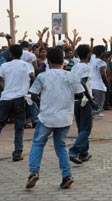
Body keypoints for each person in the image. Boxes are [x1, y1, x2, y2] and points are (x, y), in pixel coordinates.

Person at [26, 47, 84, 189]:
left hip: (47, 116)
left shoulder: (42, 76)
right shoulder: (71, 76)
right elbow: (80, 94)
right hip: (65, 118)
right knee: (61, 146)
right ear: (63, 61)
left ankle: (34, 172)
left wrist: (41, 102)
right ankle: (67, 175)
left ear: (49, 61)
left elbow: (33, 94)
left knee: (38, 143)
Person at [0, 44, 35, 161]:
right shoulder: (27, 66)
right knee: (19, 127)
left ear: (10, 54)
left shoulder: (4, 66)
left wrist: (3, 91)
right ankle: (17, 153)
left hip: (5, 98)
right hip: (20, 98)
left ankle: (17, 152)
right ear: (22, 54)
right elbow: (33, 77)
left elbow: (0, 80)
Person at [69, 44, 98, 164]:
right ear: (88, 54)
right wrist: (91, 100)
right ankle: (74, 151)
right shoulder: (87, 67)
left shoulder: (75, 67)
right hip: (85, 100)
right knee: (86, 128)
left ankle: (84, 153)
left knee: (81, 128)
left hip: (75, 99)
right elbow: (83, 82)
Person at [90, 45, 109, 117]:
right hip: (99, 86)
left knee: (93, 104)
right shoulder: (101, 62)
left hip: (90, 86)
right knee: (98, 107)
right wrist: (107, 85)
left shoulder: (91, 59)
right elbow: (103, 74)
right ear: (102, 53)